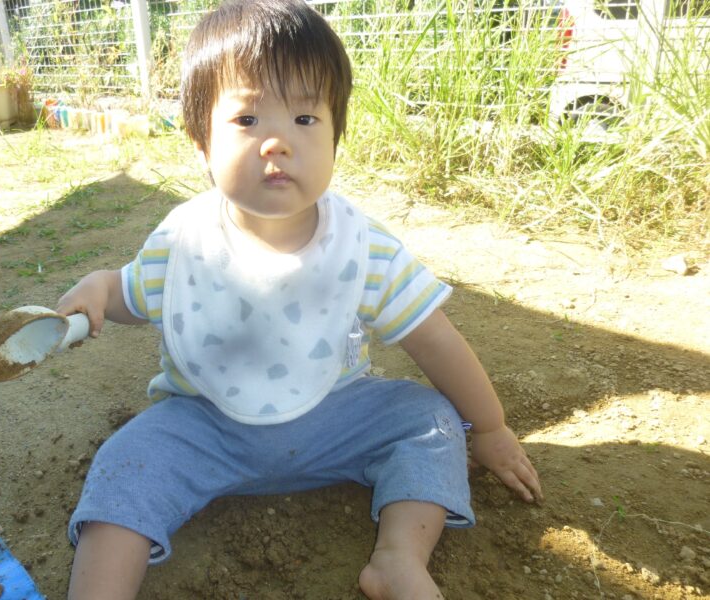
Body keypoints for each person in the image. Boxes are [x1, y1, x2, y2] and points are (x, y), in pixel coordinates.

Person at [58, 1, 542, 598]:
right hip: (203, 425)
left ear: (336, 135)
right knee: (124, 462)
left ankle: (398, 558)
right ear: (201, 142)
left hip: (338, 417)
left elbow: (434, 338)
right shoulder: (183, 240)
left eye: (306, 118)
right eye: (247, 118)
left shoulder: (361, 245)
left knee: (432, 421)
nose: (277, 142)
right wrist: (101, 288)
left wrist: (489, 427)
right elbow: (132, 296)